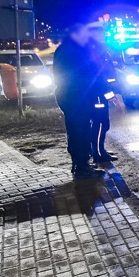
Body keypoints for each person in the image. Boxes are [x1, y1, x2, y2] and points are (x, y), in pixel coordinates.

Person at [53, 23, 105, 179]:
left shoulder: (65, 50)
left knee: (77, 131)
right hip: (76, 98)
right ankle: (82, 168)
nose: (87, 37)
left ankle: (79, 164)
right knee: (80, 133)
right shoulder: (74, 52)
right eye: (84, 34)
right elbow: (87, 76)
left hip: (71, 97)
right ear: (75, 35)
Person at [86, 21, 119, 163]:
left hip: (102, 94)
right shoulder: (93, 51)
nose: (103, 35)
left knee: (103, 124)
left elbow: (108, 74)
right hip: (97, 96)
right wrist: (111, 96)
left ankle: (100, 150)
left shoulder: (101, 50)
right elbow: (98, 79)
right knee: (99, 125)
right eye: (100, 33)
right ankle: (98, 155)